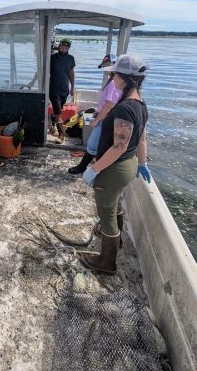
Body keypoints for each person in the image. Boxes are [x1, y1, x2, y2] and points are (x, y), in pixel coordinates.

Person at [79, 54, 151, 275]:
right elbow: (142, 138)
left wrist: (94, 168)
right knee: (115, 203)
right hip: (127, 164)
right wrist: (142, 162)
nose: (112, 78)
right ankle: (116, 239)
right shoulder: (141, 105)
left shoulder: (124, 108)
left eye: (115, 74)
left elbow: (119, 146)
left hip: (114, 167)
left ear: (125, 79)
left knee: (106, 210)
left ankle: (107, 262)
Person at [68, 54, 121, 174]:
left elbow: (109, 105)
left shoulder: (114, 83)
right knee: (99, 144)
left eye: (107, 66)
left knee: (92, 144)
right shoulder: (113, 80)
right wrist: (97, 111)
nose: (105, 69)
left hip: (106, 119)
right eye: (104, 66)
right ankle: (95, 168)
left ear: (115, 65)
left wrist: (97, 120)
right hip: (105, 116)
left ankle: (82, 167)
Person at [49, 38, 75, 143]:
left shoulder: (71, 58)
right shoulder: (52, 58)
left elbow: (71, 73)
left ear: (68, 48)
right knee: (58, 112)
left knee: (56, 111)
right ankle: (61, 135)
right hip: (53, 90)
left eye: (66, 47)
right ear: (59, 46)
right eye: (62, 46)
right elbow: (43, 71)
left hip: (65, 90)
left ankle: (52, 125)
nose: (63, 49)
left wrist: (73, 87)